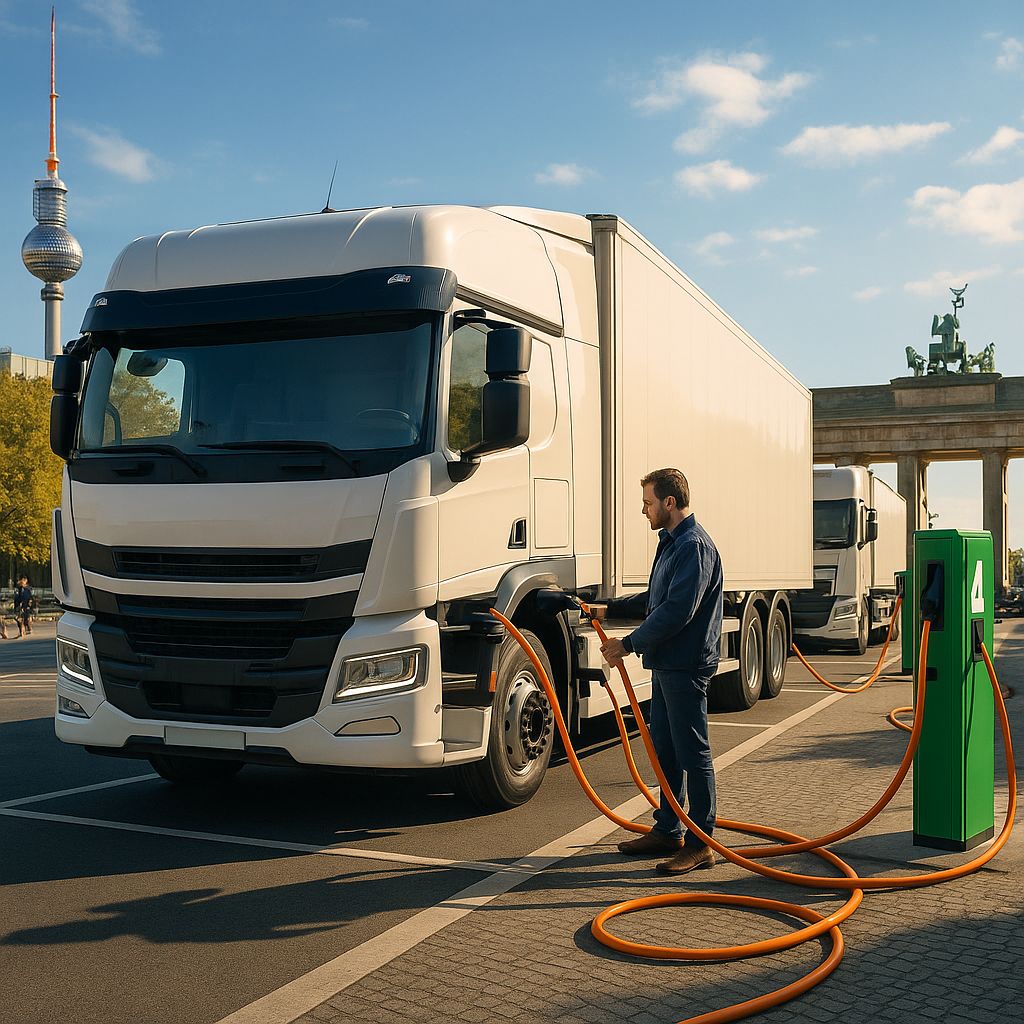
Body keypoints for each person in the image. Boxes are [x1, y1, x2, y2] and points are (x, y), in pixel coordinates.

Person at [594, 468, 723, 875]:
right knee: (664, 750)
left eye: (649, 502)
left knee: (692, 753)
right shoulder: (670, 544)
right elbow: (655, 597)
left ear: (670, 502)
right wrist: (609, 608)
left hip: (685, 665)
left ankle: (702, 842)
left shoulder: (693, 547)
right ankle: (669, 829)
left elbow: (676, 610)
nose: (643, 509)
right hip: (668, 664)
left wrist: (627, 644)